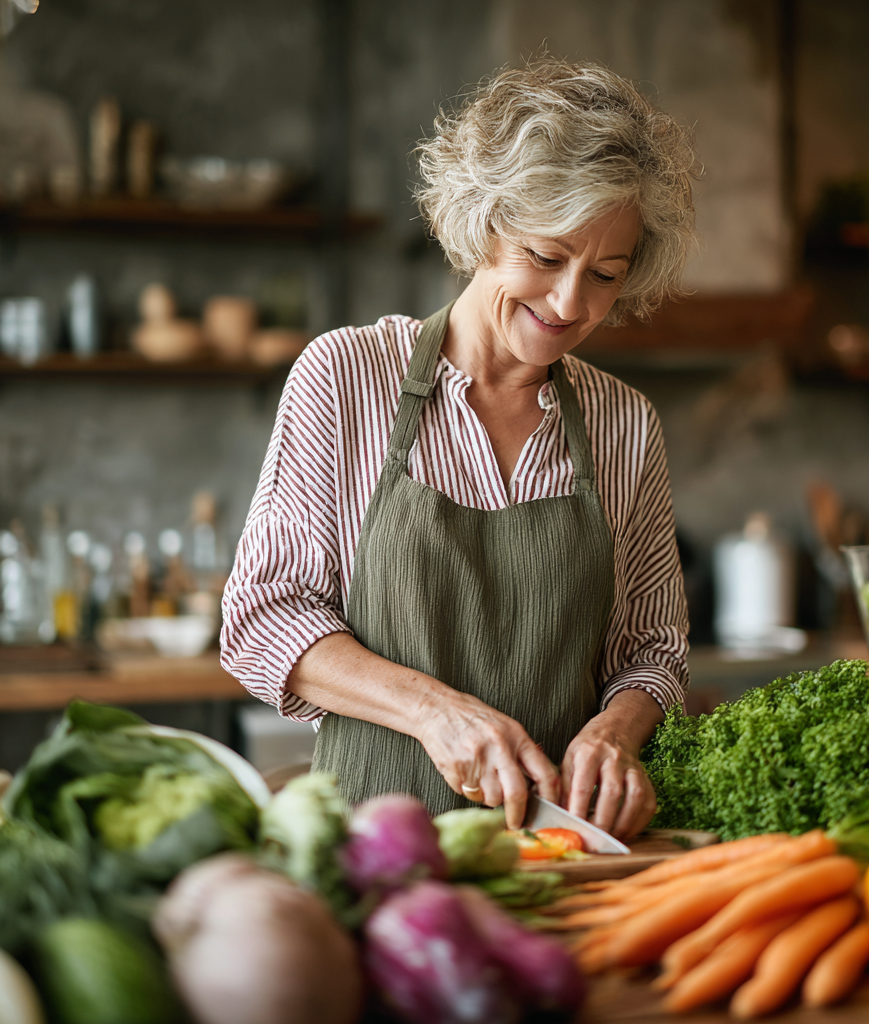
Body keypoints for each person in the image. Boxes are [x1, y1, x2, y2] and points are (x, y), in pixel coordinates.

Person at [222, 59, 696, 839]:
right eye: (546, 258)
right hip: (378, 858)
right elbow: (263, 621)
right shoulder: (346, 378)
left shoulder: (624, 424)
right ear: (483, 221)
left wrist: (618, 731)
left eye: (605, 275)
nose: (570, 303)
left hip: (563, 859)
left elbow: (651, 650)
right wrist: (435, 712)